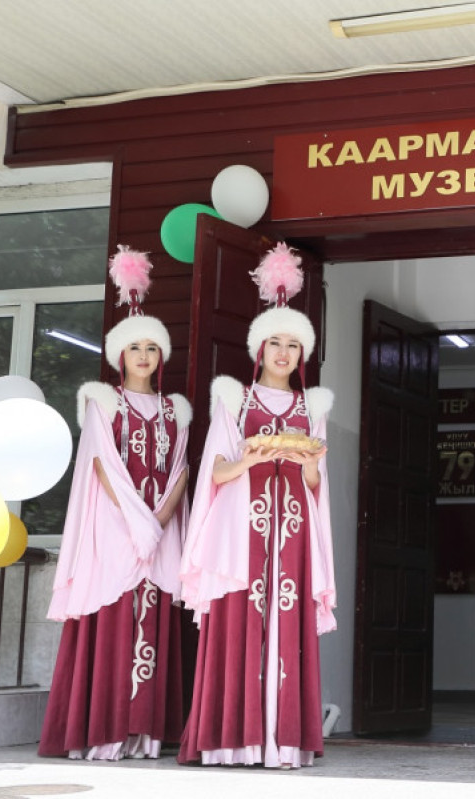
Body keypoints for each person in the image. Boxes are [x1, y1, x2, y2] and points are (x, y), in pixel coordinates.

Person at [177, 242, 336, 769]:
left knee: (287, 624)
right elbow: (216, 473)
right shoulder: (234, 400)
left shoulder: (311, 407)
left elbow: (315, 483)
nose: (284, 353)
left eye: (294, 345)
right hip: (240, 533)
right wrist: (250, 458)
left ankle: (283, 740)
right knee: (240, 626)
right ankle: (235, 739)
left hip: (293, 533)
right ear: (259, 349)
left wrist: (309, 463)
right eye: (276, 343)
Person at [40, 246, 190, 760]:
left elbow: (181, 470)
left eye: (151, 347)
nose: (143, 355)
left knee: (152, 622)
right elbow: (103, 465)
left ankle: (144, 732)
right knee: (115, 619)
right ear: (118, 355)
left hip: (159, 530)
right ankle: (105, 731)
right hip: (115, 529)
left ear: (161, 355)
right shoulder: (104, 402)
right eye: (134, 347)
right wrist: (138, 523)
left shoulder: (175, 410)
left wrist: (161, 522)